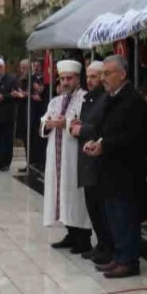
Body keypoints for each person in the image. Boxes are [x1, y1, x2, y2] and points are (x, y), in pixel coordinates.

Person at [82, 54, 147, 278]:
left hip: (126, 170)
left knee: (125, 215)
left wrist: (106, 145)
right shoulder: (111, 98)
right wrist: (95, 142)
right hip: (108, 168)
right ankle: (119, 255)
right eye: (101, 74)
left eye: (107, 73)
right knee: (112, 214)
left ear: (122, 74)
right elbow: (104, 128)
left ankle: (129, 260)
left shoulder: (133, 101)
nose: (103, 78)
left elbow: (133, 136)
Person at [41, 60, 93, 253]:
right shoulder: (55, 101)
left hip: (74, 157)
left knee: (75, 196)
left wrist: (67, 124)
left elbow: (86, 124)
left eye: (69, 78)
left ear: (77, 79)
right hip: (56, 156)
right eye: (62, 79)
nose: (65, 82)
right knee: (61, 194)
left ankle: (83, 238)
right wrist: (48, 123)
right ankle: (71, 234)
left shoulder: (85, 99)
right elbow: (44, 121)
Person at [73, 62, 113, 262]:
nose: (89, 81)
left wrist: (81, 130)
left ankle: (107, 246)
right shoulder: (89, 98)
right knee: (92, 206)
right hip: (87, 159)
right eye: (88, 77)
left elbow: (99, 127)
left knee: (100, 207)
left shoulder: (105, 99)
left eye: (94, 77)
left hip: (99, 162)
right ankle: (101, 244)